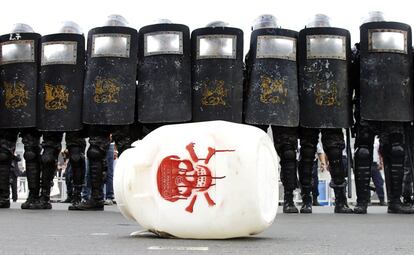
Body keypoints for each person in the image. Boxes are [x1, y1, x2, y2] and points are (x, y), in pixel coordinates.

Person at [72, 15, 138, 211]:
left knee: (127, 153)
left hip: (123, 108)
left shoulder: (132, 51)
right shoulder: (94, 53)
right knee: (95, 152)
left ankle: (132, 198)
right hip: (98, 108)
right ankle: (96, 197)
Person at [353, 11, 414, 214]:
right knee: (364, 153)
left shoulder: (405, 53)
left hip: (394, 107)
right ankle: (362, 202)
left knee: (396, 151)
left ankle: (394, 201)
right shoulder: (357, 53)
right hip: (368, 107)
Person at [297, 14, 353, 213]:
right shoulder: (300, 48)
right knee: (308, 154)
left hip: (331, 109)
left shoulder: (339, 49)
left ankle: (339, 200)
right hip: (313, 109)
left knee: (333, 153)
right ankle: (307, 199)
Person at [244, 15, 300, 213]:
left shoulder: (252, 53)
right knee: (287, 153)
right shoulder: (289, 48)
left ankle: (283, 198)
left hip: (258, 106)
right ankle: (289, 200)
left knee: (257, 154)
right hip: (281, 104)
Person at [37, 21, 87, 210]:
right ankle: (44, 195)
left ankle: (77, 195)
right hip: (53, 111)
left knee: (76, 155)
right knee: (48, 155)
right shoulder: (51, 56)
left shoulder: (84, 57)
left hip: (75, 110)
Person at [0, 23, 41, 209]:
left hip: (27, 110)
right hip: (13, 110)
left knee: (31, 153)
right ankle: (6, 196)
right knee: (5, 154)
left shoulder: (37, 59)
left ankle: (34, 196)